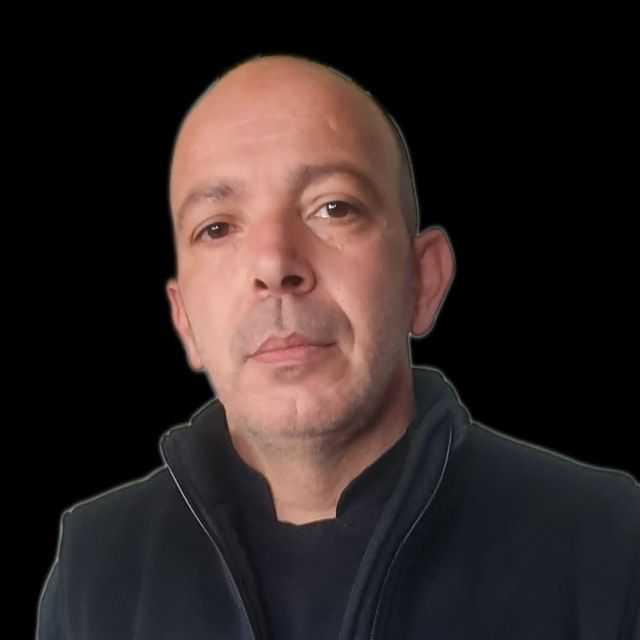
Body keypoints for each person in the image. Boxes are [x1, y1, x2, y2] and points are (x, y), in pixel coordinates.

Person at [36, 54, 639, 639]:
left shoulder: (609, 542)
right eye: (216, 227)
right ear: (184, 320)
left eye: (333, 207)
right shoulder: (94, 570)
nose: (274, 264)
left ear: (423, 280)